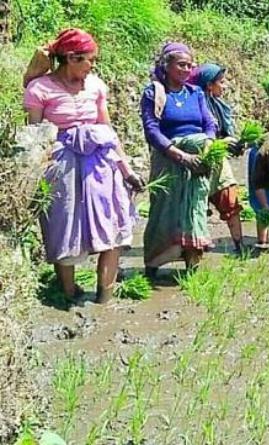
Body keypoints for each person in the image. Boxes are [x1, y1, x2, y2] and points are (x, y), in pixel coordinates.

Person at [23, 28, 141, 303]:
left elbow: (108, 130)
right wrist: (31, 181)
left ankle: (105, 298)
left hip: (100, 164)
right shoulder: (40, 89)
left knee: (111, 226)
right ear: (72, 58)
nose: (93, 66)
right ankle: (69, 295)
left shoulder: (96, 86)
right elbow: (34, 137)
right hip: (61, 166)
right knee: (64, 227)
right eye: (89, 60)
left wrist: (126, 170)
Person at [140, 42, 218, 278]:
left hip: (199, 160)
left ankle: (192, 266)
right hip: (169, 160)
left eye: (190, 65)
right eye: (181, 65)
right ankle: (153, 264)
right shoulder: (155, 93)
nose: (187, 69)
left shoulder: (195, 93)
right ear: (167, 66)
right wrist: (179, 155)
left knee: (195, 207)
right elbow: (151, 129)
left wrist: (208, 145)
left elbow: (210, 123)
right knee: (164, 210)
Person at [189, 63, 244, 253]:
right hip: (198, 162)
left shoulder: (219, 106)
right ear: (208, 85)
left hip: (219, 162)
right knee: (198, 204)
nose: (225, 86)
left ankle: (240, 245)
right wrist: (221, 143)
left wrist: (235, 144)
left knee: (230, 200)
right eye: (221, 82)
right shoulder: (194, 106)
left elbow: (222, 133)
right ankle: (196, 249)